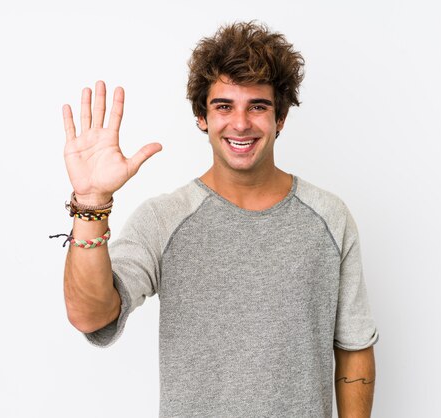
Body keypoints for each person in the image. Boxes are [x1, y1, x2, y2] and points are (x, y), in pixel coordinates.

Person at [59, 21, 378, 418]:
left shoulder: (329, 218)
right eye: (223, 106)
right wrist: (91, 204)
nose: (240, 123)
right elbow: (90, 315)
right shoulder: (164, 219)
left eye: (258, 106)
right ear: (201, 117)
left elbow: (354, 350)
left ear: (280, 117)